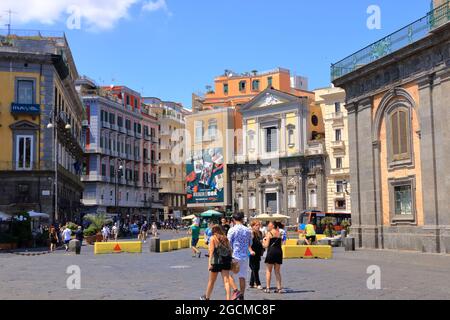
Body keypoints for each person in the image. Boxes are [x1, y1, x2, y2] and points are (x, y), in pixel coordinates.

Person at [200, 225, 233, 300]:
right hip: (226, 261)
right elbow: (230, 250)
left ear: (213, 231)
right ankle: (228, 299)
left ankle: (207, 297)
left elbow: (211, 252)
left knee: (211, 281)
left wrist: (209, 264)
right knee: (226, 281)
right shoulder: (225, 238)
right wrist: (230, 260)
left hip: (216, 262)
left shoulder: (213, 238)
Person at [227, 212, 254, 300]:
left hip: (234, 255)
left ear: (234, 220)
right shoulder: (248, 230)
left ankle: (236, 291)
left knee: (228, 274)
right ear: (242, 219)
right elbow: (250, 243)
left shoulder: (232, 230)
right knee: (242, 276)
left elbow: (228, 243)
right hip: (245, 256)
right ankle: (242, 296)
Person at [263, 221, 283, 294]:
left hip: (271, 252)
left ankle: (268, 288)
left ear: (273, 226)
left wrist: (263, 242)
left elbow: (266, 245)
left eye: (269, 225)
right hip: (279, 252)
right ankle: (279, 288)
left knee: (268, 271)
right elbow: (281, 244)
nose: (268, 226)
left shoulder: (269, 233)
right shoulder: (279, 233)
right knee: (277, 271)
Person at [249, 220, 264, 290]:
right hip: (252, 252)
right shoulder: (251, 233)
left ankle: (251, 283)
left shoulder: (260, 233)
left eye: (259, 225)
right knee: (255, 268)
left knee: (255, 268)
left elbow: (261, 241)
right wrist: (251, 251)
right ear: (252, 226)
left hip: (258, 252)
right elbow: (248, 243)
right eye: (256, 225)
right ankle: (258, 283)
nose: (258, 226)